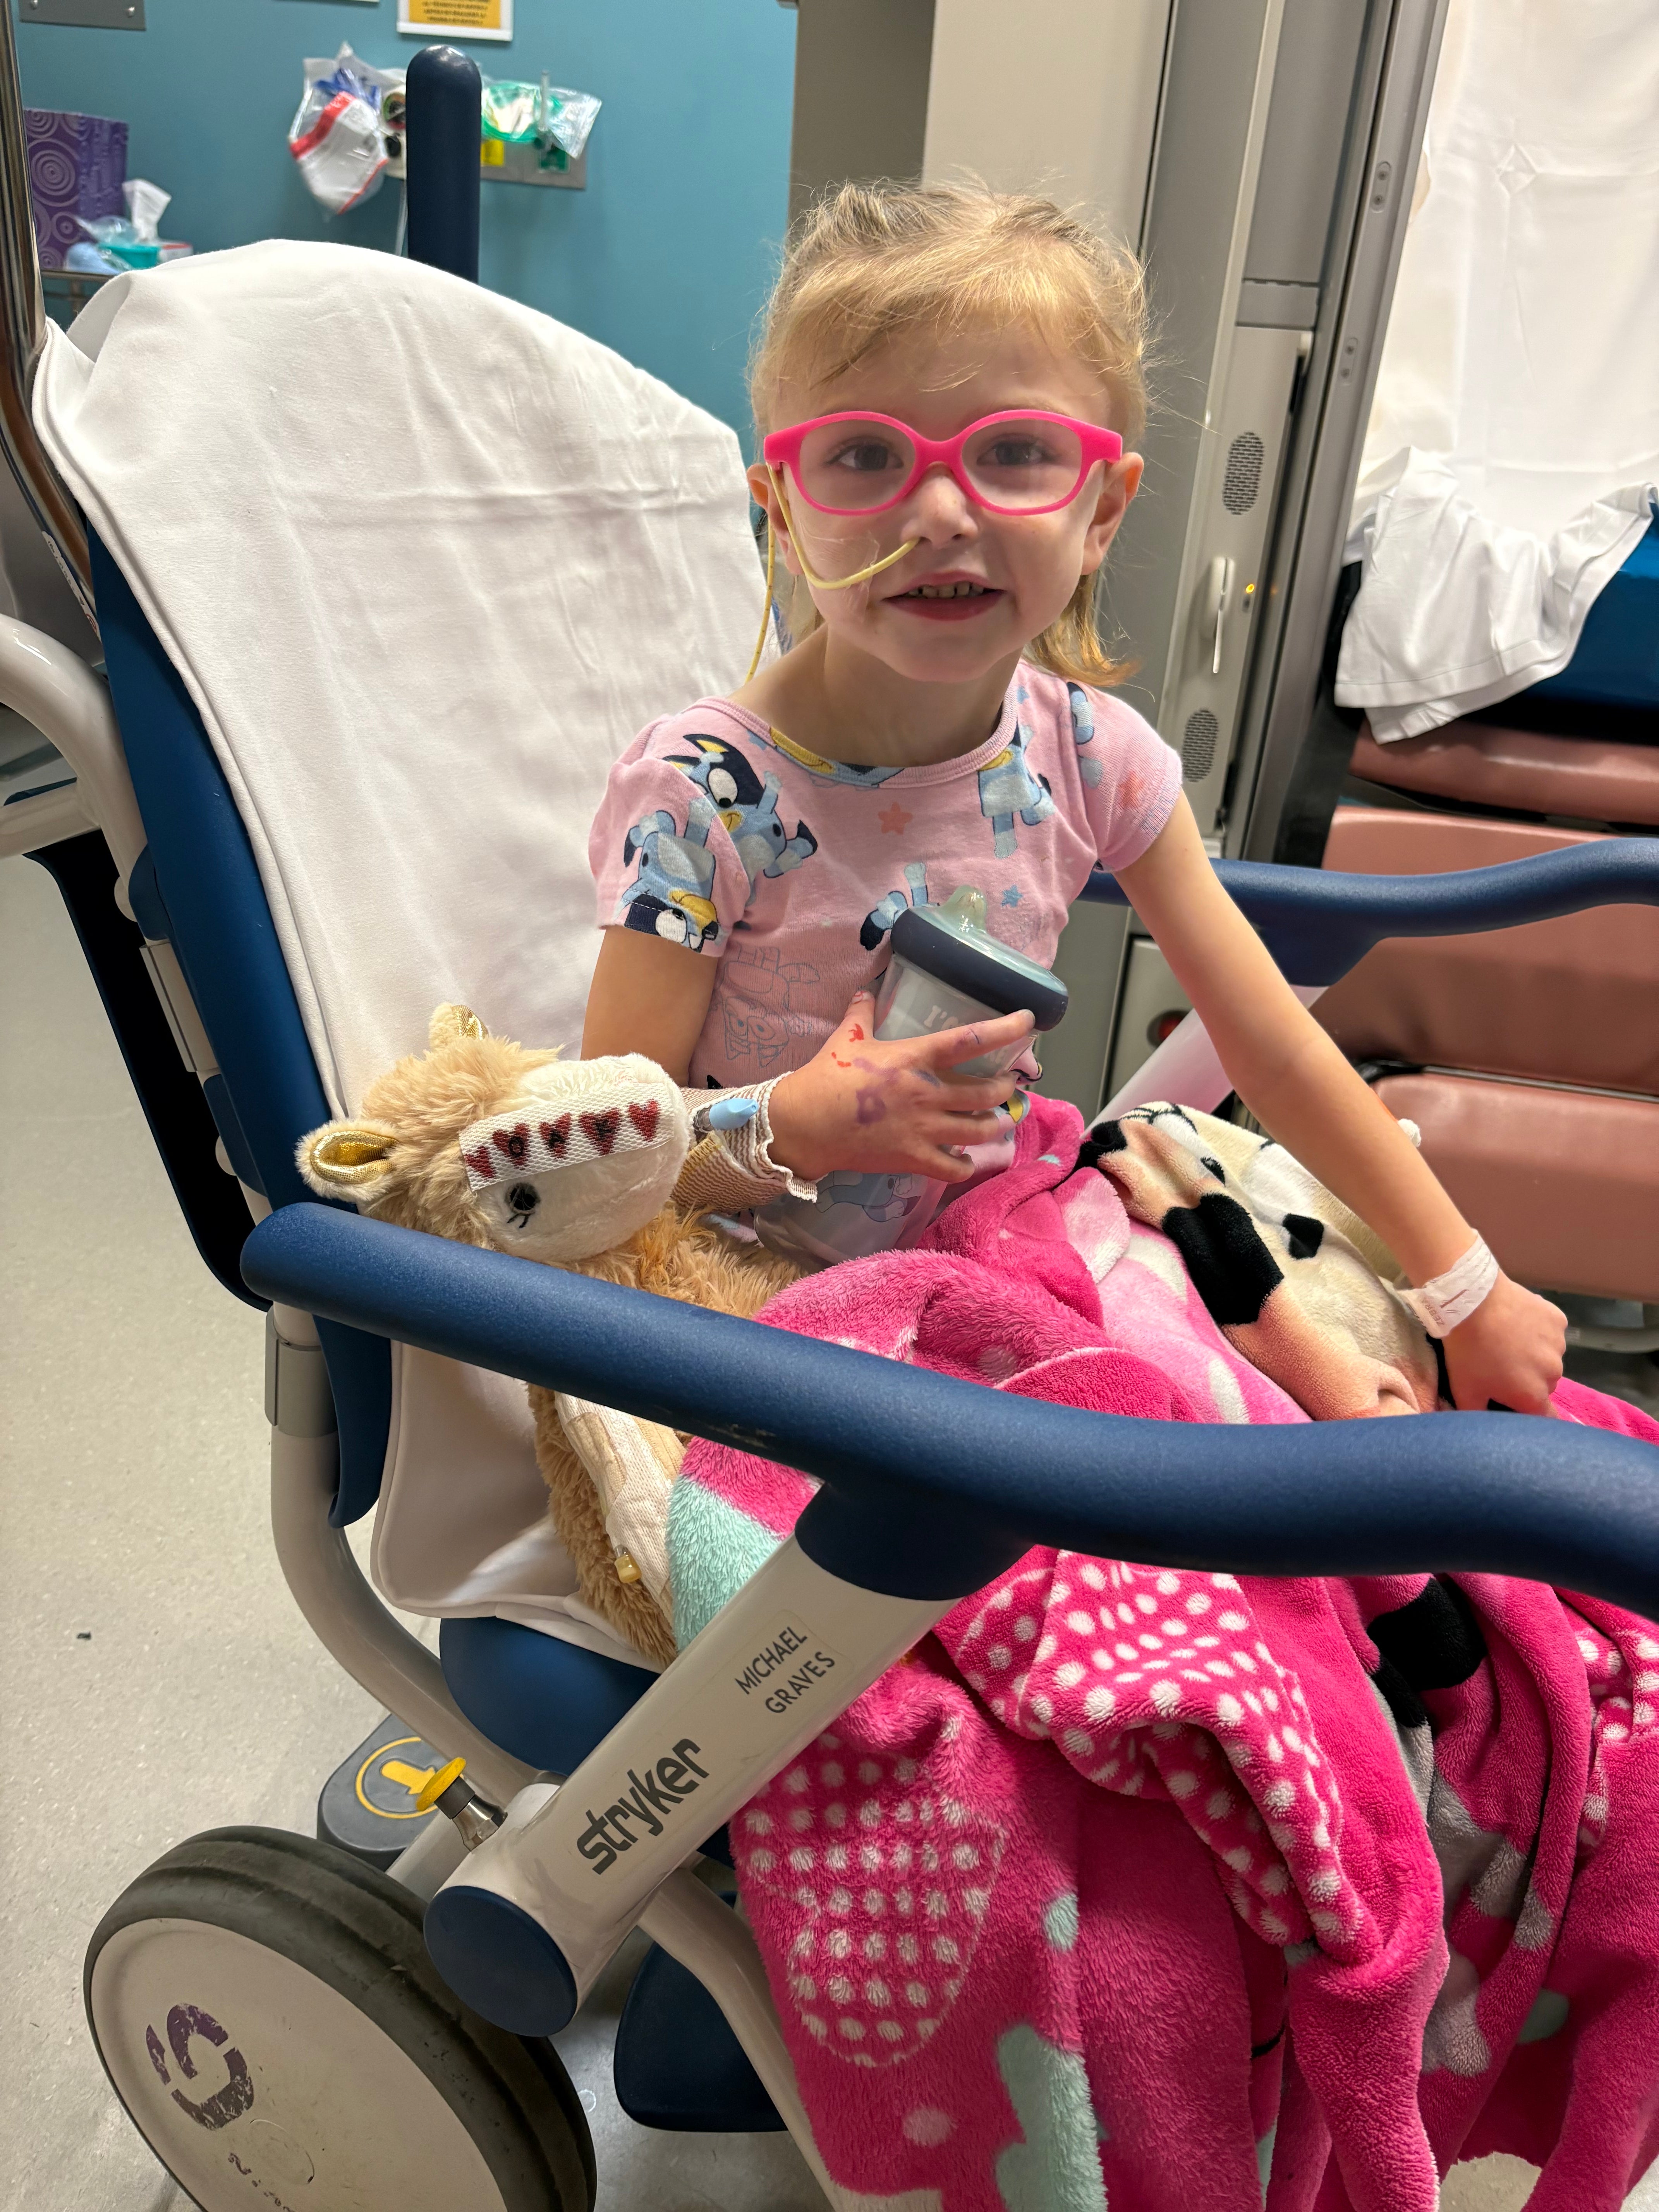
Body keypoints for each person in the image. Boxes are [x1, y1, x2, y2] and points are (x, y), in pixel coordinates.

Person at [585, 179, 1566, 1415]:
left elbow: (1271, 1042)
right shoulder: (699, 796)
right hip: (744, 1299)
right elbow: (600, 1144)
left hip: (999, 1241)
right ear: (782, 509)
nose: (941, 512)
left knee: (1306, 1442)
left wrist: (1465, 1287)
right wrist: (792, 1125)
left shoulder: (1093, 757)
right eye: (864, 457)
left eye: (1013, 454)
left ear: (1101, 510)